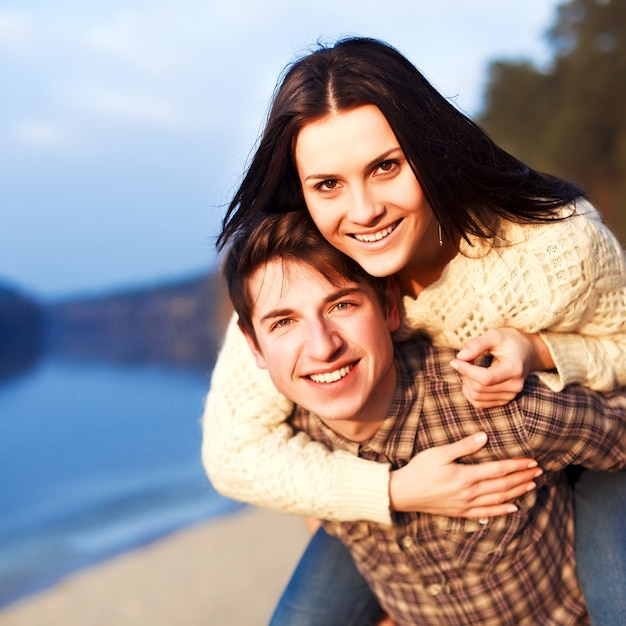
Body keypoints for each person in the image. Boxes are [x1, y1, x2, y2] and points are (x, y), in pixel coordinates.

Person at [202, 37, 626, 623]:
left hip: (586, 438)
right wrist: (392, 492)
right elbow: (234, 453)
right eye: (327, 184)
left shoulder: (552, 249)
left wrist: (540, 349)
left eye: (385, 167)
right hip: (402, 482)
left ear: (431, 149)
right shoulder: (303, 274)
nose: (363, 210)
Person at [222, 208, 626, 625]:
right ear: (254, 348)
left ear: (389, 310)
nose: (322, 347)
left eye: (341, 304)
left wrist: (544, 350)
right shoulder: (297, 440)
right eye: (284, 322)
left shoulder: (499, 410)